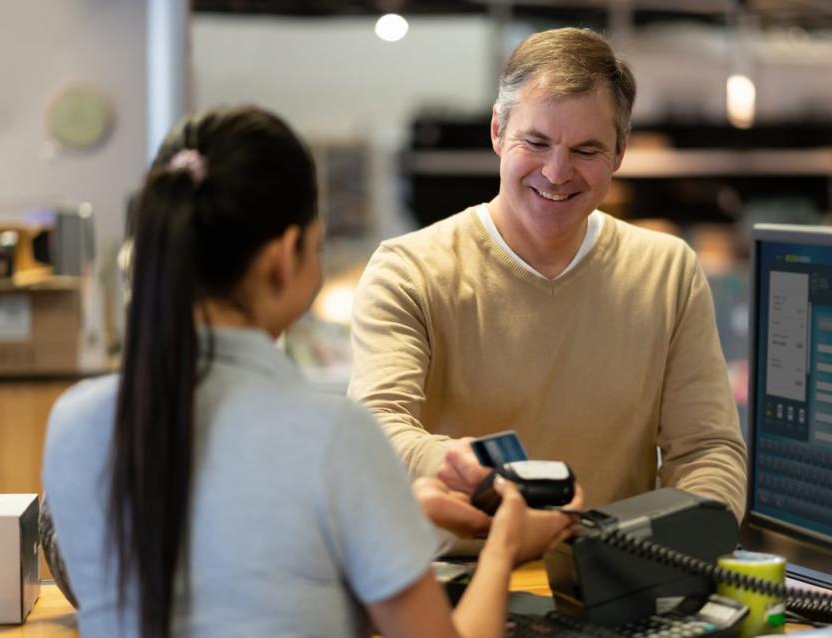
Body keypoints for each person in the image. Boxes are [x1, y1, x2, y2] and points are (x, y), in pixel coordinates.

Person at [42, 105, 578, 638]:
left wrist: (397, 522)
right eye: (318, 244)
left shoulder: (73, 420)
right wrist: (505, 543)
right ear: (284, 255)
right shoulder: (333, 436)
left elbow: (243, 583)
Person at [348, 27, 748, 524]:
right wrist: (461, 469)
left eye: (586, 150)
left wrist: (688, 543)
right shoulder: (409, 271)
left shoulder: (667, 272)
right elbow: (375, 428)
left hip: (616, 579)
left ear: (620, 153)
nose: (557, 172)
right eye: (536, 142)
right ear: (498, 131)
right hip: (461, 581)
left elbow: (707, 449)